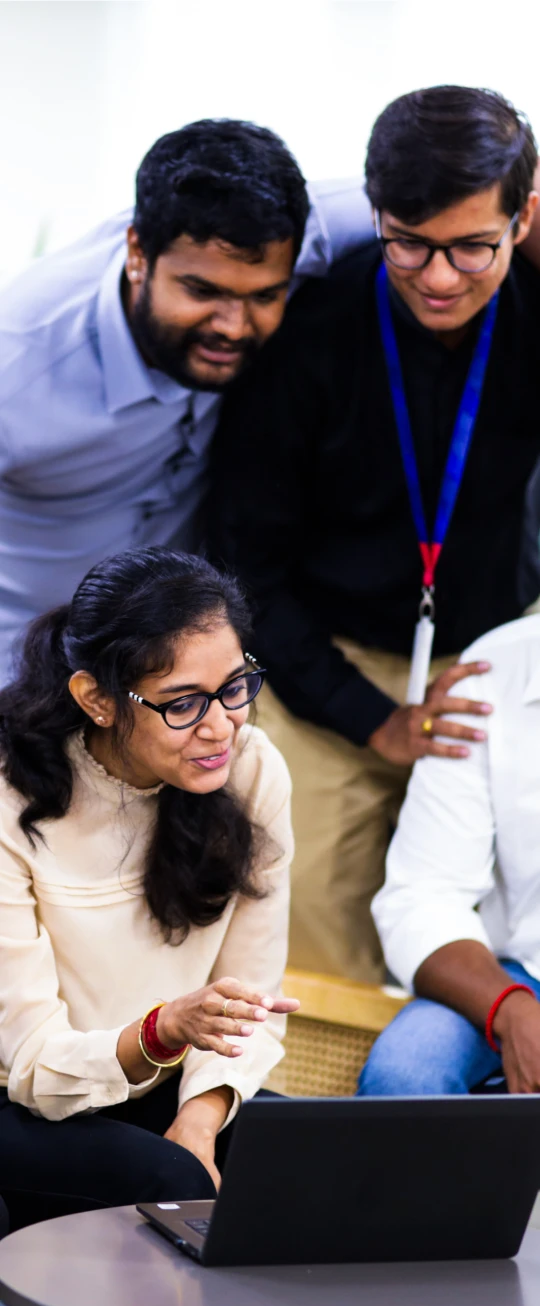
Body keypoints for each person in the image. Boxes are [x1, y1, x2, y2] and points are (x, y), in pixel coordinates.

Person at [209, 85, 540, 984]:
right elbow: (247, 571)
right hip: (323, 662)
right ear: (374, 211)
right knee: (297, 911)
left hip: (492, 656)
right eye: (409, 243)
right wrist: (370, 719)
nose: (439, 277)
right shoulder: (305, 331)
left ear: (526, 218)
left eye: (474, 245)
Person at [0, 118, 372, 681]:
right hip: (26, 673)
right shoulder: (17, 364)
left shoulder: (318, 231)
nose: (233, 327)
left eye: (266, 295)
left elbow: (483, 190)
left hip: (184, 671)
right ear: (137, 254)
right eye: (202, 291)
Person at [0, 547, 298, 1232]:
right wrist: (164, 1030)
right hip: (25, 1097)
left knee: (330, 1156)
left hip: (157, 1084)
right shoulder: (10, 795)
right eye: (184, 704)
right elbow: (36, 1068)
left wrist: (201, 1115)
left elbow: (249, 1001)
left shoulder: (250, 770)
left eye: (234, 687)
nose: (221, 726)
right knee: (169, 1178)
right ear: (96, 700)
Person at [358, 612, 540, 1097]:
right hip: (525, 971)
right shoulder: (493, 672)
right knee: (404, 1075)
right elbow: (424, 892)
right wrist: (510, 1007)